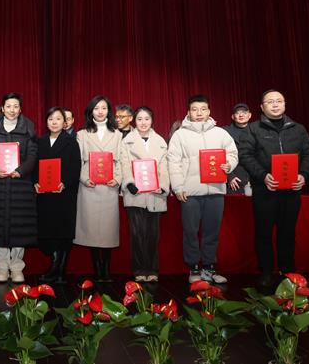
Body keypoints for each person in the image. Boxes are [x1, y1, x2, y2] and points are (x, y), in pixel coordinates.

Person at [238, 89, 309, 288]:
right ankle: (265, 272)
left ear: (284, 104)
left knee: (287, 233)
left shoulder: (298, 129)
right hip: (265, 190)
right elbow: (245, 155)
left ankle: (287, 271)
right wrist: (263, 175)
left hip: (291, 190)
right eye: (270, 101)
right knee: (263, 233)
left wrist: (303, 175)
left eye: (279, 101)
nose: (275, 104)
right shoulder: (252, 129)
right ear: (262, 107)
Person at [167, 95, 238, 284]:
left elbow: (232, 153)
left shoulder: (220, 133)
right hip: (190, 192)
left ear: (209, 111)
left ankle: (209, 268)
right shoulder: (180, 135)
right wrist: (178, 186)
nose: (199, 113)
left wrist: (229, 164)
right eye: (195, 109)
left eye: (203, 109)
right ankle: (194, 268)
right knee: (190, 231)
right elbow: (173, 162)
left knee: (212, 232)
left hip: (216, 191)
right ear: (188, 112)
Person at [0, 92, 38, 283]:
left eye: (16, 106)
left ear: (20, 109)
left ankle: (17, 266)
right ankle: (2, 266)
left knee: (20, 226)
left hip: (21, 183)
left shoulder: (28, 127)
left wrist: (21, 170)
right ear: (3, 108)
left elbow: (33, 154)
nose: (12, 110)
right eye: (8, 106)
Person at [74, 95, 123, 282]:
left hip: (109, 187)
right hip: (89, 187)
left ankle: (106, 269)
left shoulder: (117, 134)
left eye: (104, 108)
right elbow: (77, 161)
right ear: (91, 111)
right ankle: (97, 269)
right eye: (96, 108)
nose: (100, 111)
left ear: (109, 111)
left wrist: (117, 179)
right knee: (92, 230)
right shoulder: (82, 134)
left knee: (108, 230)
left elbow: (121, 161)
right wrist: (84, 179)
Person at [120, 106, 169, 282]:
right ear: (134, 121)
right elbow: (124, 164)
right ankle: (139, 269)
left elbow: (164, 167)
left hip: (155, 194)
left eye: (147, 119)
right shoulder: (126, 141)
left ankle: (153, 270)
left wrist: (162, 186)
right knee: (137, 234)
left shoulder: (161, 142)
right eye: (139, 119)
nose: (143, 122)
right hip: (135, 194)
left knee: (153, 235)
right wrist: (129, 183)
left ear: (152, 120)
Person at [34, 107, 81, 284]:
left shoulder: (71, 142)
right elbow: (34, 166)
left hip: (64, 194)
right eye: (51, 119)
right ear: (46, 122)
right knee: (47, 233)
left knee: (63, 232)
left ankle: (59, 271)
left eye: (58, 119)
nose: (54, 122)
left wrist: (65, 183)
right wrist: (35, 182)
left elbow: (75, 168)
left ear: (65, 122)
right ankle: (55, 267)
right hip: (45, 195)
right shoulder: (40, 142)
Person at [223, 103, 252, 194]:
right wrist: (229, 176)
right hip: (235, 178)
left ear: (249, 115)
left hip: (254, 177)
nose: (241, 115)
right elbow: (220, 155)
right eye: (237, 113)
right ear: (233, 116)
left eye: (244, 112)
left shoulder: (256, 130)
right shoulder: (225, 132)